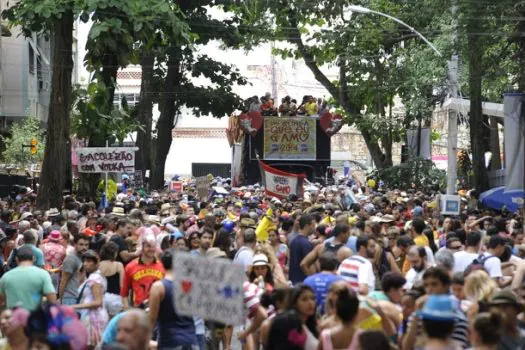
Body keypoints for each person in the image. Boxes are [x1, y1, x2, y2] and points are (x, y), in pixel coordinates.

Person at [148, 248, 198, 349]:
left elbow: (152, 319)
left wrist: (145, 339)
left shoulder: (159, 287)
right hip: (191, 341)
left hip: (170, 342)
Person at [72, 250, 108, 349]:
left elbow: (97, 302)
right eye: (84, 261)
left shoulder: (95, 279)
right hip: (92, 316)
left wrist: (73, 306)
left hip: (93, 318)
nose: (85, 264)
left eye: (89, 261)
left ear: (96, 263)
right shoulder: (95, 276)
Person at [0, 246, 56, 311]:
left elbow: (1, 299)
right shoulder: (43, 274)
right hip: (34, 318)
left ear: (17, 259)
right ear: (33, 259)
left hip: (13, 318)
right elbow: (51, 297)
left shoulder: (6, 276)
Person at [121, 232, 165, 308]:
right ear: (141, 246)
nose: (151, 249)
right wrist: (127, 309)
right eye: (148, 246)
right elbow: (124, 293)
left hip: (158, 310)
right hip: (138, 310)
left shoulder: (162, 266)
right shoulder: (130, 266)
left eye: (153, 246)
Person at [59, 234, 90, 305]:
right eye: (81, 244)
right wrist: (60, 300)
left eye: (86, 245)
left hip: (80, 297)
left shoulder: (84, 257)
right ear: (75, 244)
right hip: (70, 298)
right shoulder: (71, 259)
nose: (84, 247)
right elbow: (64, 280)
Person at [288, 284, 319, 350]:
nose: (310, 303)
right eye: (304, 299)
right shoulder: (290, 328)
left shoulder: (314, 326)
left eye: (312, 298)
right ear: (294, 303)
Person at [99, 241, 124, 318]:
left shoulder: (98, 265)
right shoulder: (118, 265)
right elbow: (122, 285)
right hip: (115, 299)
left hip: (101, 298)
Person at [289, 215, 315, 284]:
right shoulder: (306, 244)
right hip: (303, 282)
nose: (314, 228)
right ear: (307, 226)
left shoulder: (293, 241)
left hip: (294, 281)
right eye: (313, 225)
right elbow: (309, 265)